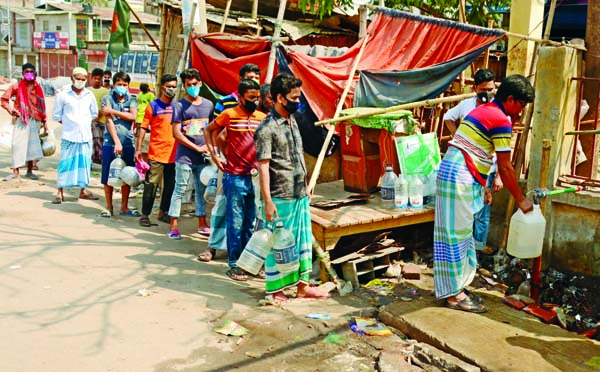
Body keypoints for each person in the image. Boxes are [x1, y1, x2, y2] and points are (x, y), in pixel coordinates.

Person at [434, 74, 535, 313]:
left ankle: (456, 286)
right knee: (456, 235)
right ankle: (454, 295)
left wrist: (483, 187)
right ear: (510, 99)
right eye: (521, 105)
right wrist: (521, 199)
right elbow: (506, 167)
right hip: (458, 176)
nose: (520, 112)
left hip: (457, 173)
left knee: (459, 233)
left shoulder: (484, 110)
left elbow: (476, 153)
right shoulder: (501, 119)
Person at [254, 73, 329, 301]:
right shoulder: (266, 129)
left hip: (299, 194)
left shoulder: (292, 121)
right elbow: (263, 167)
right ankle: (276, 290)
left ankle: (302, 287)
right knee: (278, 246)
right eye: (294, 97)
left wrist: (305, 183)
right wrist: (267, 201)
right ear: (280, 98)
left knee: (301, 243)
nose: (298, 102)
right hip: (279, 197)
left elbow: (296, 157)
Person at [200, 63, 262, 262]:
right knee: (233, 218)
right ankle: (233, 260)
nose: (255, 101)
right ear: (241, 96)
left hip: (254, 176)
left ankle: (245, 258)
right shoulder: (229, 112)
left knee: (249, 220)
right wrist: (216, 156)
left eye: (257, 97)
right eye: (251, 98)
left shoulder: (261, 117)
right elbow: (211, 131)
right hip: (233, 174)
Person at [443, 69, 504, 253]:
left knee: (483, 211)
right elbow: (448, 117)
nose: (488, 93)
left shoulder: (498, 109)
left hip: (488, 167)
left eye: (491, 88)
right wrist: (459, 136)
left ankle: (478, 248)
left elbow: (503, 148)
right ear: (475, 88)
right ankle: (465, 248)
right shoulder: (467, 105)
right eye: (484, 89)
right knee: (466, 209)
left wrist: (499, 176)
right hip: (467, 167)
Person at [167, 68, 213, 239]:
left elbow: (210, 130)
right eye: (189, 85)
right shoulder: (179, 106)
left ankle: (202, 223)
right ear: (184, 86)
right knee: (180, 188)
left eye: (195, 84)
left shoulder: (208, 105)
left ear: (200, 83)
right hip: (185, 156)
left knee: (201, 190)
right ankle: (173, 225)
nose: (192, 87)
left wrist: (208, 148)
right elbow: (176, 133)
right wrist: (197, 148)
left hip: (203, 157)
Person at [52, 67, 100, 204]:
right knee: (65, 164)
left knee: (84, 165)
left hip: (85, 137)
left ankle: (83, 191)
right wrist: (70, 123)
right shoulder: (63, 95)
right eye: (77, 78)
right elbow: (57, 115)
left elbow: (94, 114)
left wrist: (82, 122)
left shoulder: (89, 95)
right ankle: (59, 192)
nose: (80, 81)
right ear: (72, 78)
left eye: (83, 79)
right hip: (69, 136)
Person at [136, 74, 178, 227]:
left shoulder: (177, 107)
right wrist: (139, 149)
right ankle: (144, 214)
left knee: (170, 186)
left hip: (174, 154)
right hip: (156, 153)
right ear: (162, 87)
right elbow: (143, 128)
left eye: (174, 86)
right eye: (169, 86)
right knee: (151, 185)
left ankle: (163, 212)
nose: (171, 89)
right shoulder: (152, 106)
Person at [99, 71, 139, 218]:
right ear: (114, 84)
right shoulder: (107, 98)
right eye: (119, 84)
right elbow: (109, 120)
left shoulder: (132, 100)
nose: (122, 87)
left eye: (124, 84)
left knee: (127, 175)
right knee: (108, 175)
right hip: (110, 143)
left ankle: (124, 207)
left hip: (128, 142)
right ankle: (109, 207)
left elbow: (133, 116)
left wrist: (113, 111)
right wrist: (116, 141)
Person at [1, 63, 47, 181]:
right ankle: (15, 171)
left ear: (35, 73)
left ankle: (30, 171)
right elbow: (4, 100)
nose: (29, 74)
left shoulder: (39, 88)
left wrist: (44, 122)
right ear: (22, 74)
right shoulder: (16, 86)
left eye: (32, 71)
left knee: (31, 145)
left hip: (36, 119)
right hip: (22, 118)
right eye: (27, 71)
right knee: (17, 144)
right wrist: (11, 111)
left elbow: (42, 106)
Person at [89, 68, 109, 165]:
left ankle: (100, 159)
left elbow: (105, 106)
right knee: (92, 141)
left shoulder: (106, 91)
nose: (97, 81)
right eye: (95, 78)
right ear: (91, 78)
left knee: (100, 140)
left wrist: (97, 116)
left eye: (99, 79)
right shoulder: (87, 91)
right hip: (89, 121)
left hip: (101, 120)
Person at [135, 83, 156, 163]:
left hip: (140, 112)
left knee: (139, 126)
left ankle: (138, 133)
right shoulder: (150, 95)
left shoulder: (139, 94)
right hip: (146, 114)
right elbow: (153, 103)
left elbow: (138, 100)